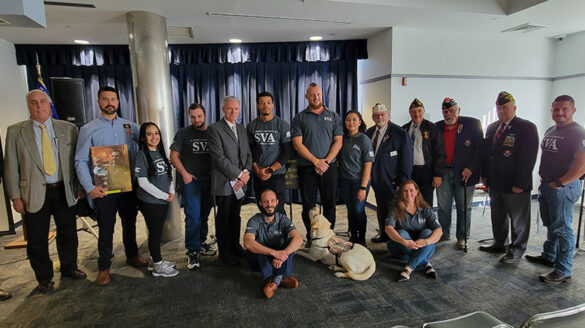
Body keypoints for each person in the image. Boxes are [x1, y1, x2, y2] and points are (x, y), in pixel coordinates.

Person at [4, 89, 86, 293]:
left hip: (63, 190)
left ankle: (69, 267)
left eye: (42, 101)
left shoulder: (68, 129)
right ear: (28, 106)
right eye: (34, 102)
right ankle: (43, 277)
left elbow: (76, 161)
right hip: (32, 193)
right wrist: (15, 196)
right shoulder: (15, 131)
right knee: (37, 239)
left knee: (68, 233)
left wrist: (80, 186)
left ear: (49, 105)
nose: (39, 105)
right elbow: (11, 167)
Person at [75, 86, 147, 286]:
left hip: (127, 185)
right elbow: (80, 160)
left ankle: (132, 254)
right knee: (106, 228)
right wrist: (89, 187)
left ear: (118, 102)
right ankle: (104, 267)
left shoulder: (131, 127)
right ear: (98, 102)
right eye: (105, 99)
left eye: (113, 99)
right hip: (103, 188)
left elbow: (141, 154)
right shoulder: (88, 129)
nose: (110, 103)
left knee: (130, 223)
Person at [525, 95, 585, 284]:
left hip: (563, 187)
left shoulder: (577, 132)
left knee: (562, 227)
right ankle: (548, 255)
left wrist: (561, 183)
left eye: (564, 109)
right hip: (548, 184)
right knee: (551, 224)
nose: (559, 113)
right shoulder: (552, 129)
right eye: (555, 109)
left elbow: (582, 164)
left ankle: (563, 269)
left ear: (573, 110)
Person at [480, 92, 539, 263]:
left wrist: (520, 182)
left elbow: (528, 157)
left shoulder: (526, 127)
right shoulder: (492, 128)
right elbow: (486, 155)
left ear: (514, 108)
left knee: (518, 220)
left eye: (505, 107)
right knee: (497, 216)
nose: (501, 111)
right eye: (499, 107)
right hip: (495, 183)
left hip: (515, 185)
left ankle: (516, 251)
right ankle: (499, 243)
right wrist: (485, 176)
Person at [291, 83, 343, 246]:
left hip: (329, 167)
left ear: (322, 95)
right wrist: (315, 161)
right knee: (308, 205)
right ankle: (311, 237)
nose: (316, 97)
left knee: (329, 203)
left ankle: (328, 237)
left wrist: (325, 161)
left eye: (319, 94)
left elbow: (338, 141)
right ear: (306, 97)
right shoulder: (299, 118)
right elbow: (297, 144)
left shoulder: (333, 116)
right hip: (307, 168)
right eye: (312, 95)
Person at [207, 96, 253, 266]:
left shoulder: (241, 129)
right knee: (224, 217)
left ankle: (234, 246)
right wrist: (239, 175)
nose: (233, 111)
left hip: (241, 181)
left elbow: (248, 153)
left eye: (236, 108)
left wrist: (246, 172)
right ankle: (224, 252)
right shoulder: (214, 129)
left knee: (235, 216)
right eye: (229, 108)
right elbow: (219, 158)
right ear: (223, 109)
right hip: (225, 181)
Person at [170, 103, 216, 271]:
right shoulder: (183, 133)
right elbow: (173, 156)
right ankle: (192, 251)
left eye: (199, 116)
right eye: (193, 117)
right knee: (193, 217)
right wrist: (185, 174)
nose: (196, 120)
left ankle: (201, 242)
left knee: (204, 215)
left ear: (205, 115)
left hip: (210, 182)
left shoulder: (213, 132)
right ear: (190, 117)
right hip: (191, 183)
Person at [435, 98, 483, 249]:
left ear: (458, 110)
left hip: (464, 173)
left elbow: (480, 150)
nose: (448, 114)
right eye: (445, 111)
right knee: (443, 206)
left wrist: (471, 168)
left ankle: (462, 237)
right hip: (443, 172)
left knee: (463, 207)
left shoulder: (472, 124)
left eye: (451, 111)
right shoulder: (437, 127)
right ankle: (443, 233)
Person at [135, 122, 179, 278]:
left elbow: (168, 175)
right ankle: (158, 266)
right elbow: (143, 182)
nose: (154, 137)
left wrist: (171, 191)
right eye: (149, 134)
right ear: (143, 137)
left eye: (156, 133)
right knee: (155, 233)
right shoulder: (142, 154)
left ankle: (157, 260)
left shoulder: (159, 152)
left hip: (163, 200)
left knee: (157, 232)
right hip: (151, 202)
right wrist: (164, 195)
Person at [366, 103, 413, 243]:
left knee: (395, 211)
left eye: (382, 114)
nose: (380, 117)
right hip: (377, 181)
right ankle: (384, 234)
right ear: (373, 117)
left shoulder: (400, 133)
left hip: (393, 182)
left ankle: (397, 241)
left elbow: (407, 160)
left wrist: (402, 182)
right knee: (381, 209)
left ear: (388, 115)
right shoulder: (369, 133)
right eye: (377, 115)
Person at [243, 189, 303, 299]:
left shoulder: (283, 219)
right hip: (263, 257)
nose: (269, 204)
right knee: (255, 247)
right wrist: (274, 253)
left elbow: (299, 239)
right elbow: (247, 243)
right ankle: (278, 278)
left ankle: (275, 281)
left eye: (272, 201)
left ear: (276, 202)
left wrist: (282, 254)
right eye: (265, 201)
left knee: (291, 243)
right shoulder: (254, 220)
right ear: (260, 203)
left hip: (279, 258)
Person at [385, 180, 442, 282]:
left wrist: (426, 242)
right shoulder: (394, 207)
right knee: (401, 233)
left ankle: (409, 268)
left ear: (416, 192)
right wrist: (405, 242)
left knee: (428, 233)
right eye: (405, 191)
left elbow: (439, 230)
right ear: (401, 193)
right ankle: (426, 264)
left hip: (421, 246)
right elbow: (388, 228)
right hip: (401, 248)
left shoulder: (425, 208)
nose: (408, 194)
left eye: (411, 190)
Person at [247, 91, 293, 214]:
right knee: (263, 208)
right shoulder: (252, 126)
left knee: (278, 209)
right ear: (257, 105)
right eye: (262, 103)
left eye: (268, 102)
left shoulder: (282, 125)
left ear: (273, 105)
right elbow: (250, 151)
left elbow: (287, 152)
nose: (265, 105)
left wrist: (271, 170)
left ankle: (281, 233)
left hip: (276, 175)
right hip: (259, 175)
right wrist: (257, 170)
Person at [338, 110, 374, 245]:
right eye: (348, 120)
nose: (351, 122)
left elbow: (368, 166)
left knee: (358, 210)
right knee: (350, 209)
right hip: (346, 181)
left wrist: (363, 188)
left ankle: (361, 237)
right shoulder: (342, 138)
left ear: (360, 122)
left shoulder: (364, 140)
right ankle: (353, 234)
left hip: (360, 181)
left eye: (354, 119)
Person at [402, 98, 446, 206]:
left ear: (423, 111)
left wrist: (437, 174)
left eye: (419, 111)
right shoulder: (404, 129)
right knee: (410, 201)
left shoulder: (432, 128)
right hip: (410, 172)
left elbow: (439, 152)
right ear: (410, 113)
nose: (416, 114)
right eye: (413, 111)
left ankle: (427, 223)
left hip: (427, 172)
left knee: (426, 203)